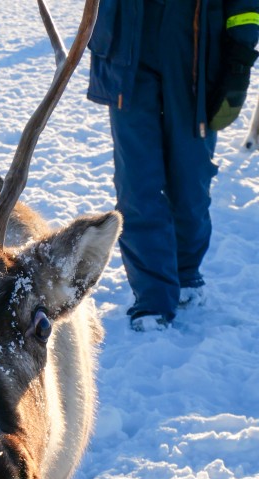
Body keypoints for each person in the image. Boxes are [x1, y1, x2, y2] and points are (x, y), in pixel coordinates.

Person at [87, 0, 259, 331]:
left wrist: (241, 51)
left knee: (191, 180)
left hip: (197, 52)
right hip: (128, 51)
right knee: (138, 183)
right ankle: (152, 296)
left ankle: (186, 273)